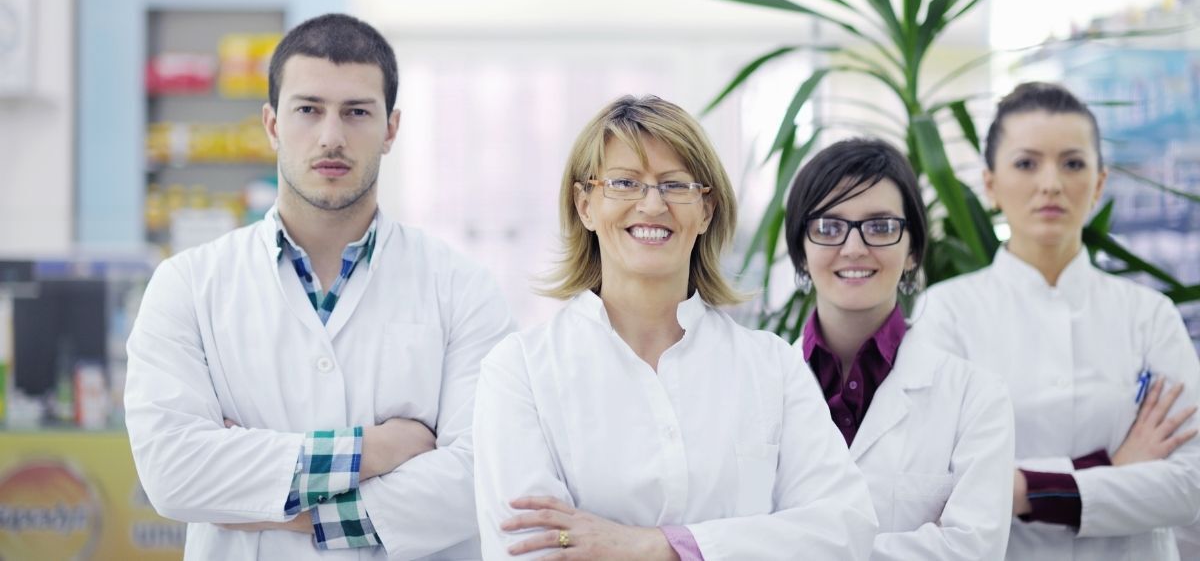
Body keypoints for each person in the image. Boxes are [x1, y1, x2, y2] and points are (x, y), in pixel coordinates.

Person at [124, 13, 516, 559]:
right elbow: (173, 471)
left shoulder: (462, 288)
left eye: (357, 112)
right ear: (272, 125)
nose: (331, 136)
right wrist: (372, 449)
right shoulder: (187, 285)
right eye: (308, 110)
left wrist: (294, 511)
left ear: (391, 129)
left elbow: (481, 475)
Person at [473, 95, 878, 560]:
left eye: (675, 185)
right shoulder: (520, 371)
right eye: (625, 182)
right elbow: (530, 551)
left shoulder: (771, 366)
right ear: (585, 205)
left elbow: (845, 531)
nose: (651, 204)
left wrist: (657, 546)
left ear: (705, 210)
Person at [906, 82, 1200, 560]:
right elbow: (939, 487)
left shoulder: (1149, 316)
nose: (1051, 183)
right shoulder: (947, 312)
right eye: (1026, 163)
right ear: (991, 184)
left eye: (1072, 163)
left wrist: (1021, 488)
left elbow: (1189, 485)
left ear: (1100, 183)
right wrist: (1111, 466)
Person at [783, 137, 1016, 560]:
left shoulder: (975, 397)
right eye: (829, 227)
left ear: (912, 251)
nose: (854, 248)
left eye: (880, 227)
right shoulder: (760, 389)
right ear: (801, 249)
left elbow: (972, 551)